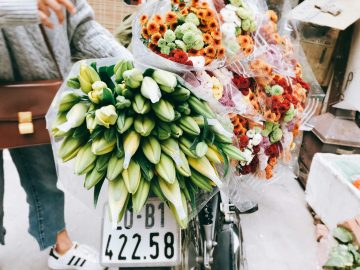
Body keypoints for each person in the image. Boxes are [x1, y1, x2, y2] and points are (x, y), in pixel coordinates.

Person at [0, 0, 132, 269]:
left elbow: (80, 26)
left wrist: (129, 65)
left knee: (45, 173)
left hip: (34, 93)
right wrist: (20, 8)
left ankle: (60, 245)